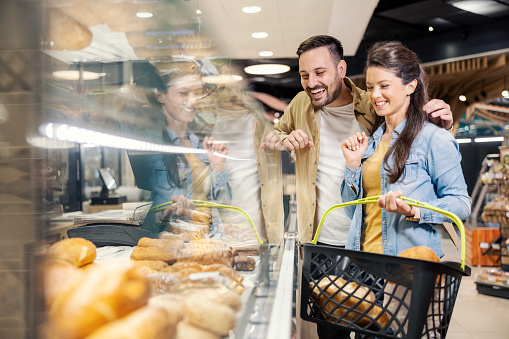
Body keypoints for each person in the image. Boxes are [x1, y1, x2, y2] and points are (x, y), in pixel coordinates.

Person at [258, 35, 454, 339]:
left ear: (341, 69)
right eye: (304, 75)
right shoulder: (299, 104)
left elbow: (414, 138)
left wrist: (444, 126)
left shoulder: (372, 105)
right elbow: (274, 136)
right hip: (320, 243)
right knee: (329, 331)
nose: (311, 83)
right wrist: (282, 140)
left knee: (372, 327)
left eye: (320, 72)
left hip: (367, 244)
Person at [340, 41, 471, 258]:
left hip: (409, 267)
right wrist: (352, 165)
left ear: (411, 86)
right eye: (370, 87)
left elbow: (461, 203)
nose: (375, 95)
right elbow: (351, 212)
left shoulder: (433, 138)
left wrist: (415, 211)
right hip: (362, 264)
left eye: (384, 86)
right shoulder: (370, 143)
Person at [128, 62, 232, 236]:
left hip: (208, 241)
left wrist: (218, 167)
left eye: (197, 93)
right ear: (160, 95)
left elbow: (226, 207)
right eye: (183, 93)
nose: (192, 100)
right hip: (172, 246)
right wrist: (168, 213)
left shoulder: (201, 146)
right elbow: (138, 215)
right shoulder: (148, 148)